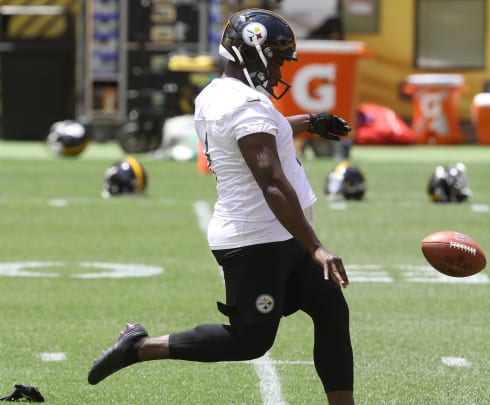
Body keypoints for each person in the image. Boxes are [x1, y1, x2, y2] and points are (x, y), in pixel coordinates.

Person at [88, 9, 355, 405]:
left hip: (279, 232)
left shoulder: (220, 93)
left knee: (331, 309)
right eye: (278, 58)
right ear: (255, 53)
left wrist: (308, 122)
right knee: (250, 341)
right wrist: (315, 246)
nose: (281, 69)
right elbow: (271, 180)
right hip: (258, 240)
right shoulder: (243, 105)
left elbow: (264, 130)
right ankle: (140, 346)